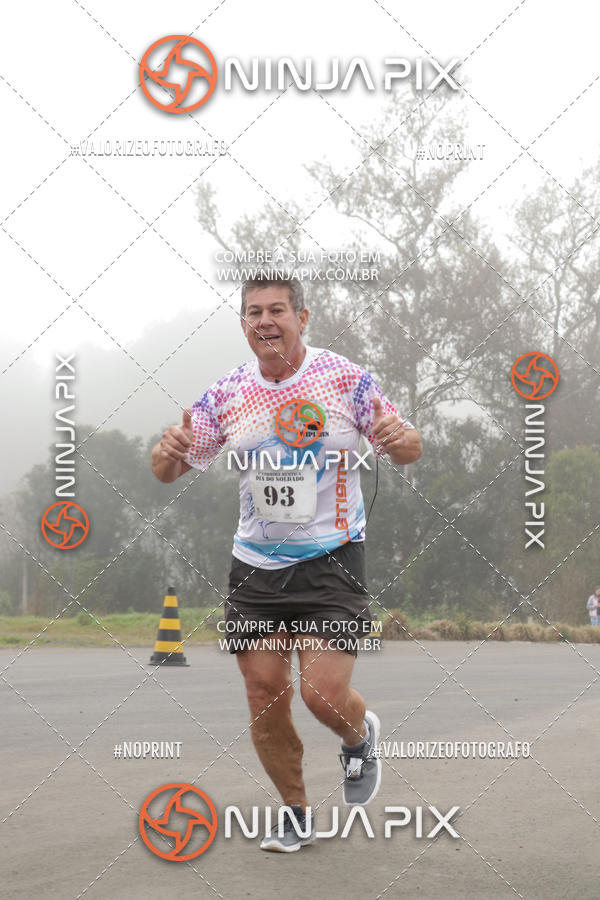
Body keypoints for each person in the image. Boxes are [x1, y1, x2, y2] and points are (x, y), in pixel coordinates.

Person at [151, 273, 422, 852]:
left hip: (333, 558)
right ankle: (295, 813)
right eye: (254, 312)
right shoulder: (226, 393)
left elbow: (408, 446)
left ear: (304, 317)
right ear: (243, 324)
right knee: (263, 691)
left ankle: (357, 738)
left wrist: (400, 439)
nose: (265, 321)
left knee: (321, 696)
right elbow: (169, 468)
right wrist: (165, 451)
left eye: (277, 310)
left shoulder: (346, 380)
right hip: (254, 566)